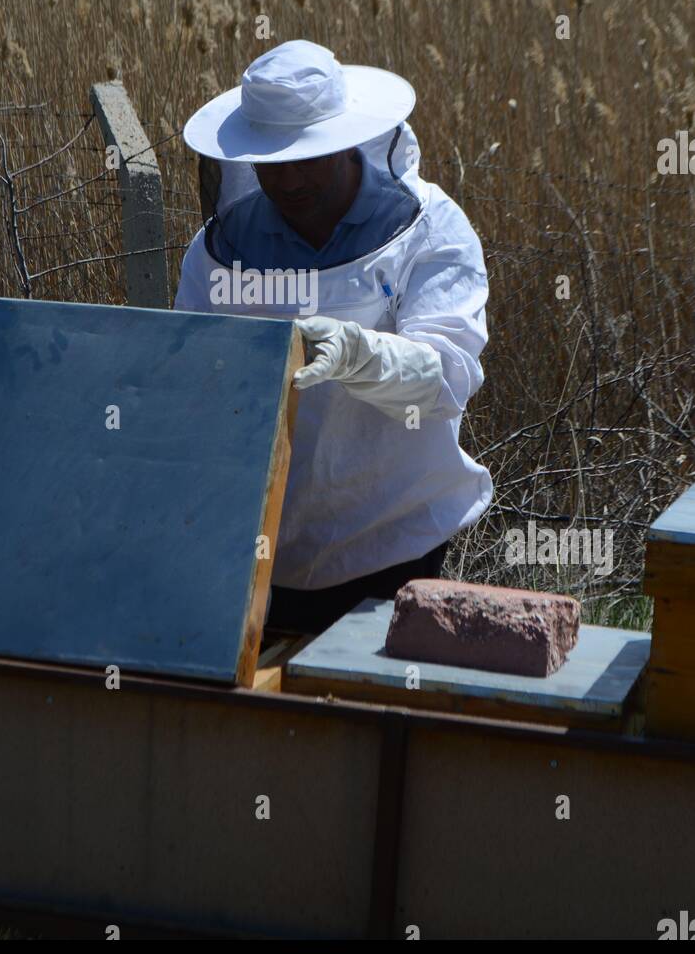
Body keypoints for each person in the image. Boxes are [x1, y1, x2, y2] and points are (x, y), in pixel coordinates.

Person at [174, 39, 493, 633]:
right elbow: (194, 383)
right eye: (271, 160)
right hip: (262, 546)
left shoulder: (433, 230)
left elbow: (447, 378)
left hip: (397, 539)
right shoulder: (218, 252)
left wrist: (358, 354)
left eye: (306, 157)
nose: (288, 179)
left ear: (346, 144)